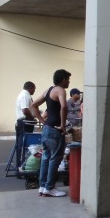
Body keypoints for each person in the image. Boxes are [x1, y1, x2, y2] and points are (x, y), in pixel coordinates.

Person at [30, 69, 71, 197]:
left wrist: (42, 121)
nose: (69, 82)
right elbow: (64, 106)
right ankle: (50, 187)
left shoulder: (48, 90)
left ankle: (42, 187)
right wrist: (63, 125)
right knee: (55, 159)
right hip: (55, 130)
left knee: (46, 158)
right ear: (63, 80)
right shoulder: (60, 90)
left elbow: (33, 105)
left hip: (47, 129)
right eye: (68, 79)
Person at [15, 81, 39, 171]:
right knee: (23, 145)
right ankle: (20, 166)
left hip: (25, 122)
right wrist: (32, 118)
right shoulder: (25, 95)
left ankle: (22, 165)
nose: (34, 91)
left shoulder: (25, 95)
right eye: (34, 89)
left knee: (23, 144)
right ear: (30, 88)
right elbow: (25, 110)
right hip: (25, 122)